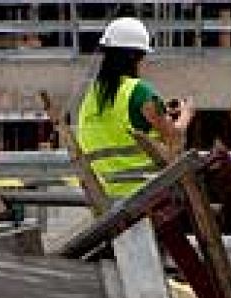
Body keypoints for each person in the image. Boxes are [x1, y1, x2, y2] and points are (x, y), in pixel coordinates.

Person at [76, 17, 192, 199]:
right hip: (144, 198)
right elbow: (175, 140)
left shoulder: (91, 95)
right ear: (134, 56)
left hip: (106, 198)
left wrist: (162, 113)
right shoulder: (139, 92)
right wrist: (186, 114)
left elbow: (117, 127)